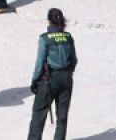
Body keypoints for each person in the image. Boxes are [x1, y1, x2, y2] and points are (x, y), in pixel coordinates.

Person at [27, 8, 76, 140]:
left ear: (49, 20)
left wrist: (35, 80)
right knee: (62, 115)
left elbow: (40, 62)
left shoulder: (45, 38)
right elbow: (74, 60)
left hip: (49, 79)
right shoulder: (68, 37)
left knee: (39, 113)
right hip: (66, 78)